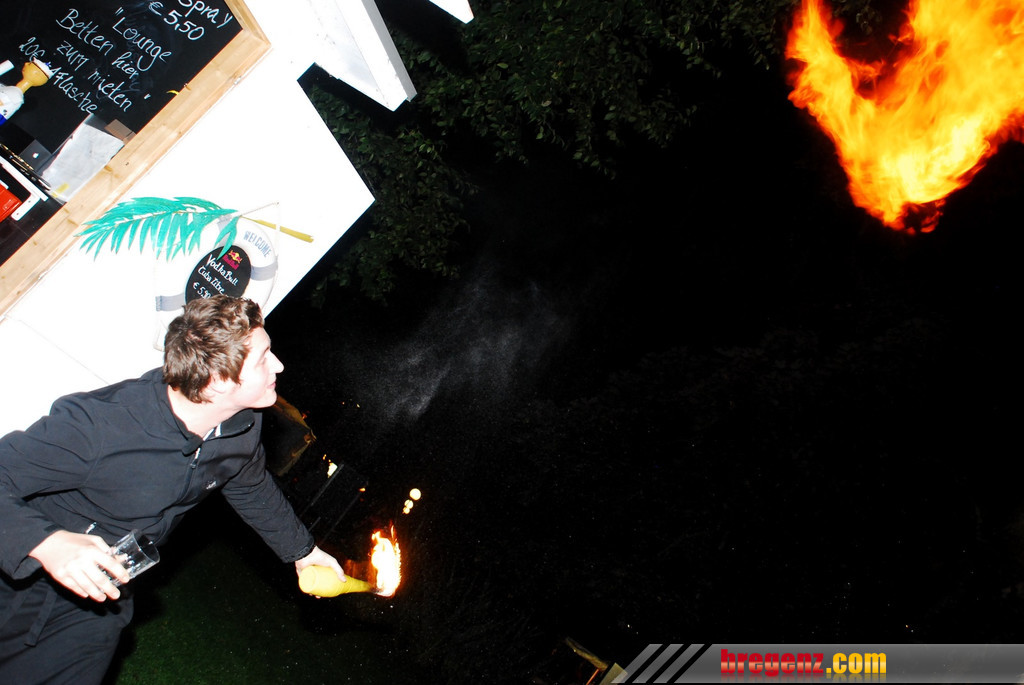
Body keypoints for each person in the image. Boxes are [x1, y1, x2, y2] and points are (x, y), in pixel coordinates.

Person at [0, 295, 346, 684]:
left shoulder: (242, 428)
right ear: (217, 382)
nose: (278, 365)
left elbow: (250, 486)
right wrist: (46, 544)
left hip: (101, 601)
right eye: (263, 358)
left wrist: (303, 552)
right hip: (23, 580)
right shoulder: (104, 424)